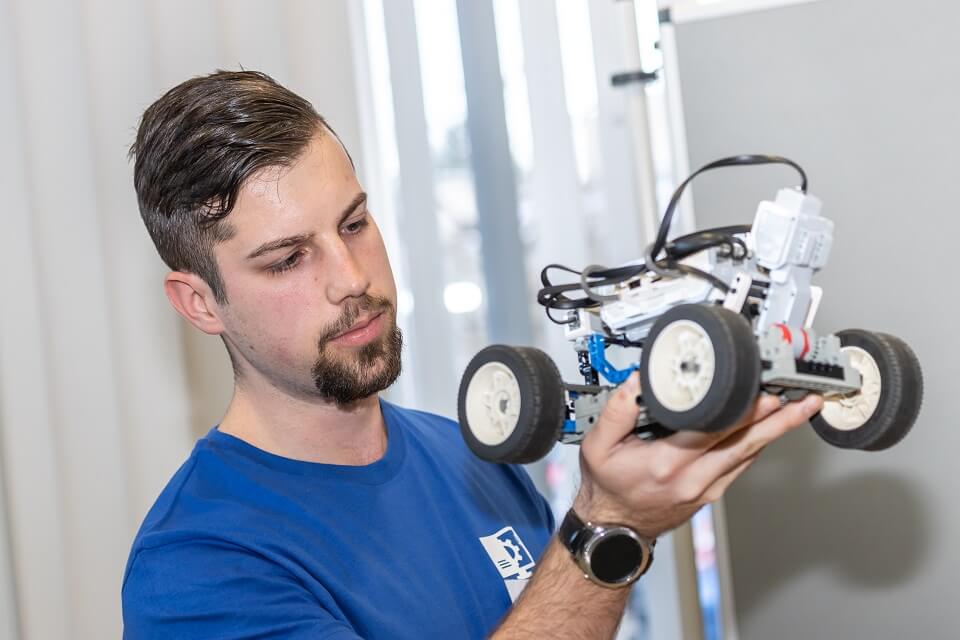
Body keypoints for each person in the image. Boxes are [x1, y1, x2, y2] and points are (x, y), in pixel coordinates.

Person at [121, 70, 823, 639]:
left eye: (354, 224)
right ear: (199, 303)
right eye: (287, 259)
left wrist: (615, 525)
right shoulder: (198, 566)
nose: (351, 278)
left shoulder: (470, 459)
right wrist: (607, 523)